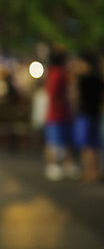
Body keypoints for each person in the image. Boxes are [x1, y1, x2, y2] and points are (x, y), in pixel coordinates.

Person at [43, 47, 79, 181]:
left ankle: (63, 165)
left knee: (60, 141)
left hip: (58, 113)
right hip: (57, 113)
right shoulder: (58, 73)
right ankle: (55, 166)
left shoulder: (56, 72)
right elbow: (54, 94)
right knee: (55, 142)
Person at [73, 52, 103, 182]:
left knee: (86, 146)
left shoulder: (82, 80)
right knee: (95, 145)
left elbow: (76, 97)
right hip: (96, 114)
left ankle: (89, 173)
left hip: (85, 115)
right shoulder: (98, 79)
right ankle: (97, 172)